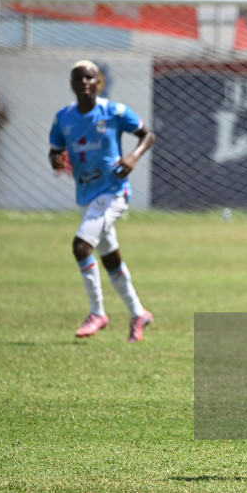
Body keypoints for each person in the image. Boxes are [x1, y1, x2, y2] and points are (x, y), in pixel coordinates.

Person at [48, 60, 155, 343]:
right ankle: (138, 313)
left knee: (81, 246)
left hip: (114, 192)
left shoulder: (114, 111)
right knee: (110, 259)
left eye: (90, 77)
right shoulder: (63, 118)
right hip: (86, 195)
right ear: (71, 84)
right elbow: (55, 152)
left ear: (99, 82)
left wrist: (132, 157)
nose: (85, 82)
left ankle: (97, 313)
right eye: (79, 78)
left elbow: (147, 134)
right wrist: (56, 160)